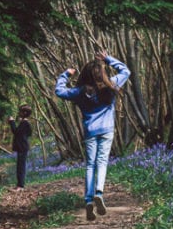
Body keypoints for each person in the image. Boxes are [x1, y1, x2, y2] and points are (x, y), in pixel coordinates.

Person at [55, 50, 131, 220]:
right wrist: (107, 59)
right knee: (102, 161)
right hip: (107, 130)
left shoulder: (79, 92)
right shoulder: (111, 85)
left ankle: (89, 201)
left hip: (90, 131)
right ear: (102, 73)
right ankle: (99, 192)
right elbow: (126, 71)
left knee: (90, 164)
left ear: (85, 75)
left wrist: (66, 74)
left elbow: (59, 91)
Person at [7, 105, 33, 191]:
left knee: (21, 167)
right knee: (20, 166)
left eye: (20, 112)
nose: (19, 113)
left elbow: (16, 132)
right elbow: (29, 133)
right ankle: (19, 185)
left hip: (22, 147)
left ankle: (20, 186)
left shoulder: (25, 123)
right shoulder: (25, 123)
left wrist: (12, 122)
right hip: (22, 147)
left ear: (25, 113)